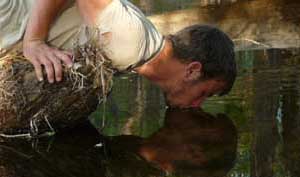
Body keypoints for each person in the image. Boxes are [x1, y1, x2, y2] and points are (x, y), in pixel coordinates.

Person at [0, 0, 236, 108]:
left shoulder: (142, 50)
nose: (198, 104)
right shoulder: (132, 42)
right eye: (204, 93)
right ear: (193, 70)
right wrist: (34, 40)